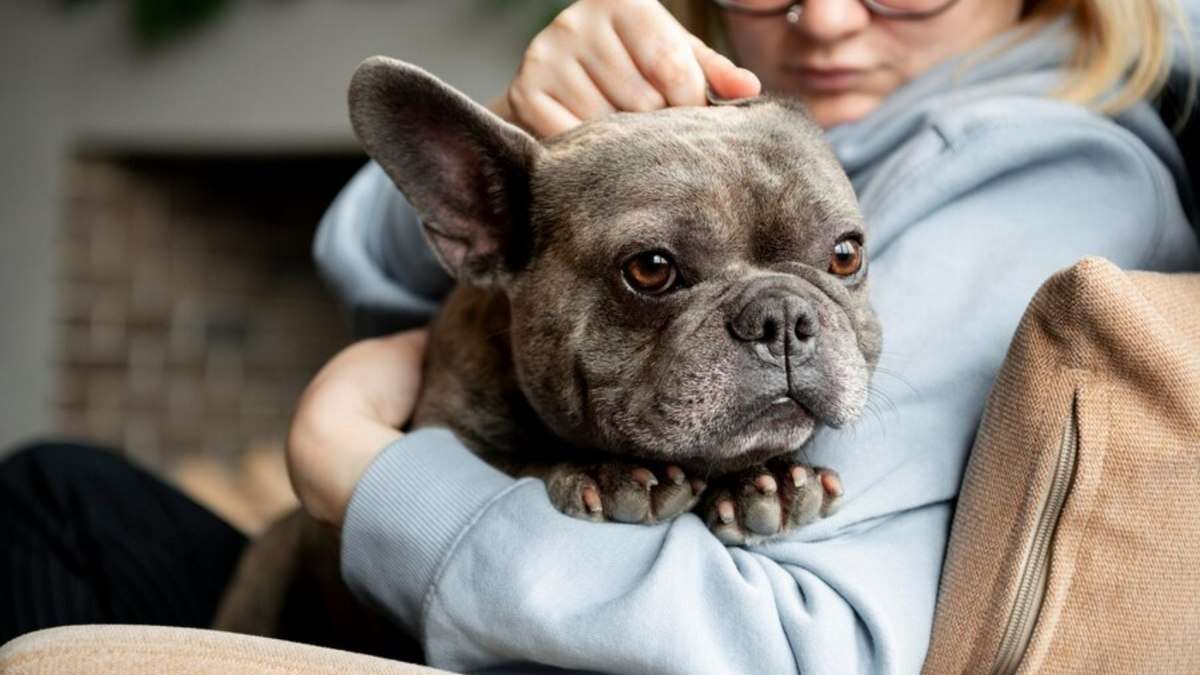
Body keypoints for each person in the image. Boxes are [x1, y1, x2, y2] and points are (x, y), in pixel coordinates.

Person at [0, 0, 1195, 672]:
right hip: (404, 567)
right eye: (655, 270)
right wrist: (532, 131)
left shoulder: (1022, 173)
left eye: (837, 262)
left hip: (471, 585)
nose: (827, 17)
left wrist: (362, 475)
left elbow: (796, 645)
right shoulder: (775, 111)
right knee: (60, 490)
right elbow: (401, 273)